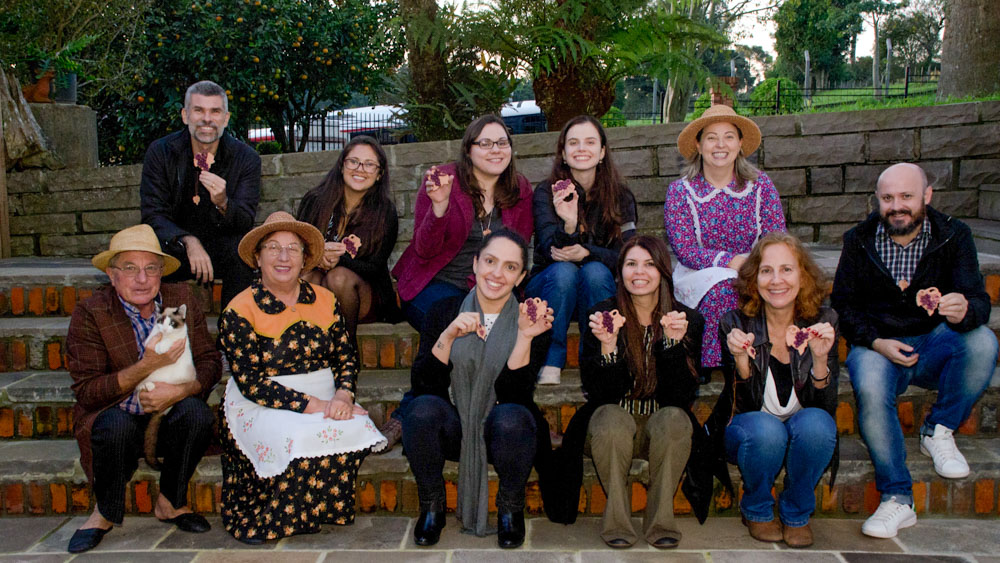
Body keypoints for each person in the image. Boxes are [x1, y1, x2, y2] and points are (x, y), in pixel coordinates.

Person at [831, 163, 998, 539]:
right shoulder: (858, 239)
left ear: (926, 196)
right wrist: (875, 341)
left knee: (984, 341)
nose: (897, 206)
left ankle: (938, 429)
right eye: (887, 198)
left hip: (935, 341)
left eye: (906, 196)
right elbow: (843, 305)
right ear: (877, 200)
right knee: (871, 388)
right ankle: (898, 497)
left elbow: (980, 303)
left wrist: (964, 309)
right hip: (877, 346)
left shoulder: (954, 235)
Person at [217, 211, 386, 544]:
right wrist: (316, 405)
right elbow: (251, 383)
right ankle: (273, 518)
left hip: (325, 398)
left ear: (305, 258)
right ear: (258, 257)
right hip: (261, 401)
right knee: (291, 434)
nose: (284, 257)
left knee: (357, 427)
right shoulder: (239, 309)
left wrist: (343, 396)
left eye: (293, 249)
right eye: (273, 248)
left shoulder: (325, 299)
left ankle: (319, 508)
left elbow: (345, 356)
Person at [65, 224, 221, 553]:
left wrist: (182, 390)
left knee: (196, 414)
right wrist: (146, 366)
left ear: (161, 272)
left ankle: (171, 501)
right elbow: (88, 391)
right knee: (114, 426)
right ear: (112, 275)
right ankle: (103, 512)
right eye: (130, 269)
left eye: (151, 268)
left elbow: (209, 360)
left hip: (168, 417)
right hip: (117, 416)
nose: (142, 279)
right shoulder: (91, 313)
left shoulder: (180, 300)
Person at [385, 115, 534, 450]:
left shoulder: (519, 189)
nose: (495, 150)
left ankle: (413, 412)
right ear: (468, 150)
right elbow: (423, 249)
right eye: (485, 143)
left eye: (502, 142)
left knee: (491, 324)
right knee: (454, 321)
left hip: (487, 288)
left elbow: (517, 246)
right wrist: (438, 209)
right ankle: (409, 414)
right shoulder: (444, 180)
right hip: (433, 281)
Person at [401, 229, 553, 549]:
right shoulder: (444, 311)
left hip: (501, 432)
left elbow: (516, 395)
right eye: (490, 261)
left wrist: (524, 337)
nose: (497, 273)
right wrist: (449, 336)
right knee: (421, 410)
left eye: (510, 267)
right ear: (475, 264)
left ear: (521, 276)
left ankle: (510, 509)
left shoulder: (531, 319)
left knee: (513, 416)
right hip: (455, 426)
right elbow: (425, 385)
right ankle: (432, 506)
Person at [560, 235, 703, 549]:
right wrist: (608, 347)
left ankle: (660, 522)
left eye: (650, 264)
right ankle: (618, 523)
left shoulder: (686, 320)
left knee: (677, 421)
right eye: (631, 264)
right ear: (620, 271)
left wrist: (671, 346)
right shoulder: (602, 315)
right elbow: (598, 396)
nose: (640, 272)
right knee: (610, 417)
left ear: (663, 271)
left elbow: (681, 398)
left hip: (661, 426)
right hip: (611, 425)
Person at [708, 232, 839, 548]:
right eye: (767, 270)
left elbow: (824, 407)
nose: (776, 280)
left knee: (819, 427)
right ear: (754, 280)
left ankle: (796, 513)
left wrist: (820, 359)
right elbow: (746, 404)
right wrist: (740, 360)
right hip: (747, 426)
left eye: (787, 269)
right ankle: (756, 508)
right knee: (768, 431)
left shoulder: (824, 320)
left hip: (801, 421)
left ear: (803, 276)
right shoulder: (735, 322)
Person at [664, 104, 785, 375]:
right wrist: (729, 260)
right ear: (698, 144)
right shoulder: (680, 191)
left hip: (753, 268)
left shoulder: (761, 186)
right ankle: (713, 362)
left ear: (740, 143)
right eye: (711, 137)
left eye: (729, 136)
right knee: (723, 290)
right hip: (700, 272)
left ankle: (764, 354)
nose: (721, 145)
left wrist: (755, 265)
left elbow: (776, 238)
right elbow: (684, 249)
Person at [527, 115, 637, 385]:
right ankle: (552, 359)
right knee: (565, 271)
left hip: (597, 290)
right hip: (551, 288)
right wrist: (569, 222)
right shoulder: (545, 191)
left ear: (602, 152)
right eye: (573, 143)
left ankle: (598, 357)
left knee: (595, 272)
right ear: (563, 153)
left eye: (590, 142)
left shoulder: (620, 196)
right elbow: (550, 249)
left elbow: (628, 256)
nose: (581, 149)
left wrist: (587, 252)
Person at [140, 79, 261, 309]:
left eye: (215, 111)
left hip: (221, 247)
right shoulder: (161, 152)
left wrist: (223, 202)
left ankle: (232, 335)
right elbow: (152, 214)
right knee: (143, 256)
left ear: (225, 118)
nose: (207, 119)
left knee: (244, 253)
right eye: (199, 110)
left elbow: (245, 220)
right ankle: (154, 332)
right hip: (174, 246)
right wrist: (188, 241)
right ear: (185, 115)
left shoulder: (246, 158)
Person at [296, 135, 401, 342]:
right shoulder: (315, 201)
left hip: (361, 294)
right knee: (308, 276)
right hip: (319, 286)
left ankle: (347, 354)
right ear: (342, 166)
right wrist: (318, 255)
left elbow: (375, 267)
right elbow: (298, 248)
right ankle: (303, 351)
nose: (360, 169)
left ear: (379, 174)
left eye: (369, 164)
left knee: (338, 277)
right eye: (353, 161)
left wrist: (339, 259)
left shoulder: (385, 211)